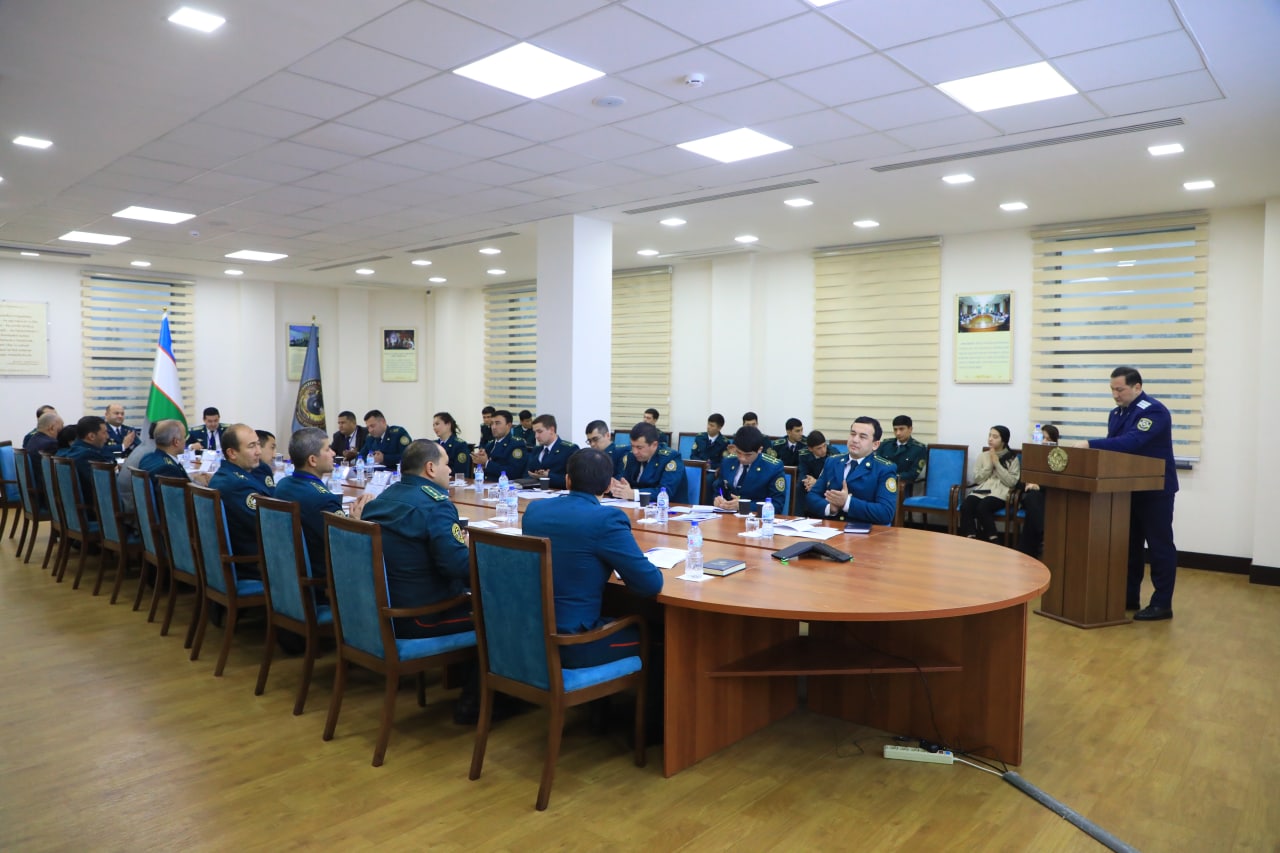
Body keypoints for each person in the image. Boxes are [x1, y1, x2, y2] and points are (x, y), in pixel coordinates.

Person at [357, 439, 479, 722]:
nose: (451, 470)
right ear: (430, 468)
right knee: (496, 615)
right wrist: (477, 554)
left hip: (380, 612)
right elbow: (456, 566)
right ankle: (476, 704)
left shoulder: (382, 498)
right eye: (447, 464)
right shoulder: (437, 505)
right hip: (419, 617)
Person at [522, 448, 662, 670]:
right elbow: (650, 584)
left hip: (529, 636)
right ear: (608, 486)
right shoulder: (606, 519)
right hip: (573, 644)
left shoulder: (534, 510)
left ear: (567, 480)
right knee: (655, 637)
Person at [1081, 367, 1179, 621]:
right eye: (1112, 389)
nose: (1115, 395)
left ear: (1137, 387)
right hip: (1127, 489)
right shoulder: (1116, 413)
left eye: (1120, 389)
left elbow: (1132, 443)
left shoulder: (1153, 411)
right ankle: (1128, 596)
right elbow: (1115, 452)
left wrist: (1089, 444)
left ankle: (1162, 604)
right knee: (1129, 547)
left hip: (1155, 490)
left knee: (1159, 547)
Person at [275, 427, 372, 576]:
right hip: (324, 576)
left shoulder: (283, 484)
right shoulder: (323, 499)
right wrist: (356, 521)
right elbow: (345, 544)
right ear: (312, 460)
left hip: (288, 571)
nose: (333, 453)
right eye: (327, 449)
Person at [208, 424, 273, 577]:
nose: (258, 451)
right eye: (251, 446)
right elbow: (269, 526)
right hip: (254, 565)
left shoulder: (228, 474)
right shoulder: (237, 486)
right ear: (232, 453)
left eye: (258, 444)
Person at [804, 417, 897, 525]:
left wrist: (847, 503)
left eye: (862, 437)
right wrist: (830, 508)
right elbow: (812, 496)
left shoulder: (884, 469)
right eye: (853, 434)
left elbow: (886, 513)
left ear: (875, 445)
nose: (855, 440)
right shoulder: (832, 461)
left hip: (864, 531)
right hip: (830, 528)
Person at [957, 425, 1021, 543]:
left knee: (983, 508)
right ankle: (971, 538)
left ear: (1003, 440)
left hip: (1000, 493)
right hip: (982, 490)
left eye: (995, 437)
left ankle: (993, 539)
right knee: (966, 506)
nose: (990, 439)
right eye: (989, 435)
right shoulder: (983, 456)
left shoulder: (1012, 458)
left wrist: (997, 463)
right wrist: (989, 465)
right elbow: (977, 479)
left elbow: (1011, 482)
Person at [711, 426, 786, 514]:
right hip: (727, 515)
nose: (742, 458)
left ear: (760, 450)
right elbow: (719, 489)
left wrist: (744, 505)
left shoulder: (773, 467)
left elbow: (777, 505)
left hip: (757, 518)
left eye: (748, 455)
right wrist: (718, 499)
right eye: (739, 453)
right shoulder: (727, 462)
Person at [610, 422, 687, 502]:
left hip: (670, 507)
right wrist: (617, 486)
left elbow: (665, 492)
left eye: (639, 447)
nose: (635, 451)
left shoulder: (671, 458)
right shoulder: (631, 456)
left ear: (654, 445)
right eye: (632, 446)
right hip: (636, 506)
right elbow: (624, 480)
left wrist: (633, 494)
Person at [58, 415, 116, 518]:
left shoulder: (74, 450)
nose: (107, 437)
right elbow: (105, 486)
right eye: (104, 433)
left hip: (74, 511)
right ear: (91, 436)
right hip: (97, 513)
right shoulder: (88, 456)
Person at [1017, 424, 1059, 558]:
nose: (1045, 442)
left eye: (1048, 439)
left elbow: (1056, 483)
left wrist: (1039, 486)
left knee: (1033, 508)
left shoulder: (1058, 459)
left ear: (1054, 442)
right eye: (1043, 438)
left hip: (1048, 497)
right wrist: (1028, 483)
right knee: (1032, 498)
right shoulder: (1031, 455)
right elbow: (1019, 482)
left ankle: (1026, 551)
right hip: (1030, 497)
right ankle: (1043, 535)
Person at [138, 419, 211, 486]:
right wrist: (202, 484)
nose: (185, 441)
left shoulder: (147, 458)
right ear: (176, 442)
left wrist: (193, 479)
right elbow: (181, 494)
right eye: (184, 437)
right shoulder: (169, 469)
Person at [470, 409, 526, 480]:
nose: (493, 427)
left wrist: (486, 463)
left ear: (508, 425)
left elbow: (513, 472)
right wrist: (478, 460)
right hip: (486, 484)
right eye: (492, 423)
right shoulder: (490, 444)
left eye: (497, 423)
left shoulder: (516, 444)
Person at [526, 414, 578, 489]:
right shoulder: (536, 450)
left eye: (539, 432)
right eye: (535, 432)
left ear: (551, 430)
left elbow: (574, 480)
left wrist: (548, 476)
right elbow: (529, 472)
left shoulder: (569, 449)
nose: (536, 436)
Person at [880, 415, 927, 484]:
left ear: (910, 429)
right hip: (880, 482)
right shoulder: (885, 444)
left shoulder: (919, 449)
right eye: (895, 429)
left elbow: (913, 474)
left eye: (901, 429)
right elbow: (876, 465)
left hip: (902, 485)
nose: (898, 433)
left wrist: (892, 477)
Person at [432, 411, 471, 477]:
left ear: (448, 424)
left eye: (437, 424)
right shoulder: (433, 444)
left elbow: (460, 472)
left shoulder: (460, 445)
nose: (434, 428)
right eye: (433, 425)